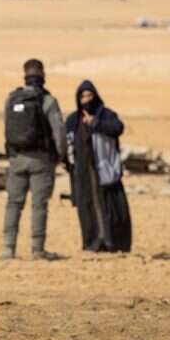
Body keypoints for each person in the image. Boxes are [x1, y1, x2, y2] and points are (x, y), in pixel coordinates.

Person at [0, 58, 66, 260]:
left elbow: (7, 128)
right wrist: (60, 155)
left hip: (17, 158)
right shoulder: (48, 100)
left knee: (13, 203)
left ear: (25, 75)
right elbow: (59, 132)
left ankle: (8, 248)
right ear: (42, 74)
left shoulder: (12, 99)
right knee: (39, 205)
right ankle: (37, 249)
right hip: (41, 160)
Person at [66, 80, 132, 253]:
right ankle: (92, 243)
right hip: (83, 171)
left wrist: (96, 123)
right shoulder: (73, 119)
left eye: (90, 95)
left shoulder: (106, 114)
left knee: (110, 208)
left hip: (105, 170)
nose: (86, 100)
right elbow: (67, 143)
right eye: (83, 97)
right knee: (87, 207)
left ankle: (112, 243)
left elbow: (118, 128)